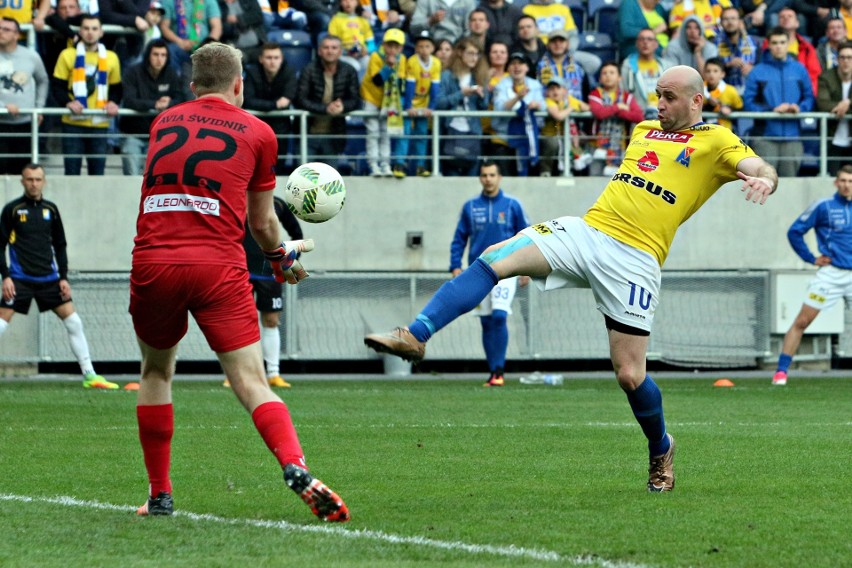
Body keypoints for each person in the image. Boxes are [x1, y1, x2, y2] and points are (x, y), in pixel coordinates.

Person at [365, 65, 779, 492]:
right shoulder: (643, 130)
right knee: (495, 256)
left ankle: (661, 448)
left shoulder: (716, 140)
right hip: (588, 231)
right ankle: (416, 334)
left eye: (670, 97)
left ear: (696, 100)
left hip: (636, 259)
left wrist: (765, 180)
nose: (659, 104)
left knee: (629, 375)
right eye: (657, 94)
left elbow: (761, 166)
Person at [130, 42, 349, 521]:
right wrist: (280, 259)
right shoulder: (259, 131)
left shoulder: (163, 122)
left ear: (191, 86)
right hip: (217, 268)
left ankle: (161, 494)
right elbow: (263, 223)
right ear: (240, 85)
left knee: (155, 374)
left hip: (155, 262)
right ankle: (294, 464)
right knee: (251, 382)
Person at [0, 164, 117, 390]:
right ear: (22, 182)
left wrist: (63, 278)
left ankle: (90, 375)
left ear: (44, 182)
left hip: (49, 280)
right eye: (30, 179)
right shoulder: (12, 210)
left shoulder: (51, 210)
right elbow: (0, 245)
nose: (34, 183)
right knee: (1, 323)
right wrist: (5, 276)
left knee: (73, 322)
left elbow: (60, 245)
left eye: (38, 179)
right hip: (19, 279)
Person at [449, 161, 529, 387]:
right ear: (480, 178)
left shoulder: (513, 205)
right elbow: (459, 238)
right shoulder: (470, 207)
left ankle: (500, 370)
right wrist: (455, 264)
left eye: (492, 175)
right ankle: (493, 370)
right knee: (485, 321)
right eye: (484, 175)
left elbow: (527, 236)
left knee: (499, 316)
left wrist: (527, 268)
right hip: (479, 271)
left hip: (507, 268)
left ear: (499, 177)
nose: (488, 179)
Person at [773, 166, 852, 387]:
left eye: (851, 181)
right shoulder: (823, 206)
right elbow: (795, 231)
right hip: (831, 275)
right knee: (803, 320)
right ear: (836, 183)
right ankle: (781, 372)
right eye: (843, 180)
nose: (847, 185)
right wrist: (811, 258)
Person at [224, 196, 304, 389]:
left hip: (269, 273)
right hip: (239, 270)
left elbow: (296, 234)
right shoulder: (230, 201)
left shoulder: (277, 204)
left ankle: (273, 373)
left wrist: (290, 259)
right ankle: (235, 374)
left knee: (271, 321)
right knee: (239, 322)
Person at [51, 14, 123, 176]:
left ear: (101, 32)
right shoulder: (67, 54)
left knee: (97, 174)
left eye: (94, 28)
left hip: (99, 124)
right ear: (80, 31)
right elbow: (57, 87)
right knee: (71, 173)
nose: (90, 32)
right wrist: (67, 103)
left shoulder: (112, 57)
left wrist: (113, 102)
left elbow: (117, 88)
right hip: (72, 121)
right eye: (86, 28)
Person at [743, 27, 814, 178]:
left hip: (793, 137)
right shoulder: (757, 71)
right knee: (763, 184)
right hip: (765, 138)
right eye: (775, 43)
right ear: (768, 45)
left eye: (782, 42)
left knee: (790, 186)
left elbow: (809, 97)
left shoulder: (800, 70)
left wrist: (799, 108)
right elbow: (748, 103)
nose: (779, 46)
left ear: (788, 44)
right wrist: (772, 110)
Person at [295, 35, 361, 173]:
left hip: (333, 134)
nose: (330, 51)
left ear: (340, 51)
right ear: (319, 51)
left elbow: (356, 100)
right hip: (308, 134)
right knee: (302, 181)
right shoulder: (309, 69)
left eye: (334, 48)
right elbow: (300, 99)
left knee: (329, 183)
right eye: (326, 47)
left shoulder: (349, 71)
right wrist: (326, 109)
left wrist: (343, 106)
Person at [120, 38, 186, 176]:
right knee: (131, 175)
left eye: (163, 55)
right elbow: (129, 100)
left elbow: (181, 98)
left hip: (161, 136)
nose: (159, 59)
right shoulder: (133, 72)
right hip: (134, 134)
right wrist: (154, 104)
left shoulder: (171, 73)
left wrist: (169, 103)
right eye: (155, 54)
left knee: (158, 178)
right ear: (148, 55)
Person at [0, 17, 48, 175]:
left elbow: (43, 80)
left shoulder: (31, 56)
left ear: (17, 35)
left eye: (6, 30)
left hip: (25, 123)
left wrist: (39, 108)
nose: (1, 32)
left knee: (22, 172)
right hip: (1, 122)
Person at [435, 37, 487, 177]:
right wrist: (461, 94)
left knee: (472, 182)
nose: (474, 58)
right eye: (470, 53)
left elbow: (484, 107)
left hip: (473, 132)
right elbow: (439, 103)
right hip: (450, 131)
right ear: (459, 53)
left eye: (477, 54)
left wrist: (482, 95)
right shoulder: (446, 76)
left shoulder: (478, 77)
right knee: (451, 179)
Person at [243, 42, 298, 175]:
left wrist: (264, 105)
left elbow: (288, 97)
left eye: (276, 58)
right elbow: (248, 101)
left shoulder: (289, 71)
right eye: (269, 58)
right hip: (255, 129)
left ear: (281, 59)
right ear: (261, 59)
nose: (272, 62)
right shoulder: (252, 72)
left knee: (277, 170)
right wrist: (274, 105)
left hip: (280, 130)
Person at [360, 27, 406, 178]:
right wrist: (389, 66)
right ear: (384, 45)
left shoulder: (403, 59)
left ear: (401, 48)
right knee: (373, 132)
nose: (392, 50)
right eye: (389, 45)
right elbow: (377, 80)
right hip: (372, 98)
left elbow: (400, 83)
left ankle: (385, 164)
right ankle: (373, 164)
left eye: (396, 46)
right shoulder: (375, 56)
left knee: (386, 134)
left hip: (389, 101)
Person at [395, 30, 441, 178]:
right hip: (410, 100)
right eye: (420, 46)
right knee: (405, 133)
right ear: (416, 48)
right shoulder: (413, 62)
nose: (424, 50)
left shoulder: (436, 63)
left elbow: (435, 87)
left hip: (424, 101)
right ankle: (399, 164)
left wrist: (431, 107)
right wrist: (408, 106)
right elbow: (410, 85)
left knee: (422, 134)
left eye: (427, 46)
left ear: (432, 48)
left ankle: (420, 165)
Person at [587, 61, 644, 176]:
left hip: (620, 147)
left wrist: (615, 111)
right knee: (594, 176)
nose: (608, 76)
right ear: (600, 79)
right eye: (604, 73)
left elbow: (638, 116)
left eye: (612, 73)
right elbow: (599, 113)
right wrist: (618, 107)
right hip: (596, 146)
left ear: (619, 78)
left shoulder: (627, 97)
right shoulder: (595, 94)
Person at [493, 51, 544, 176]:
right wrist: (517, 97)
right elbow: (499, 108)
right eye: (513, 64)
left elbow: (544, 106)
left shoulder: (535, 85)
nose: (517, 67)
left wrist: (537, 105)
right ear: (508, 68)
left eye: (520, 63)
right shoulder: (501, 85)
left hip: (529, 137)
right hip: (505, 137)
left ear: (526, 67)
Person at [621, 28, 673, 121]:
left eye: (649, 39)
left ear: (656, 44)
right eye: (642, 39)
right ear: (636, 44)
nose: (645, 42)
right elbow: (625, 92)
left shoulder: (666, 66)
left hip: (663, 117)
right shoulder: (628, 66)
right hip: (638, 118)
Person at [817, 42, 852, 176]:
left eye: (849, 58)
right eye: (842, 57)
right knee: (832, 181)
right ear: (837, 59)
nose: (846, 61)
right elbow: (823, 104)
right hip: (832, 138)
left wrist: (848, 103)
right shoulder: (826, 77)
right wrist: (843, 106)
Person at [714, 6, 760, 94]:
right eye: (726, 19)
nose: (730, 22)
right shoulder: (714, 42)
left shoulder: (754, 42)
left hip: (750, 91)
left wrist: (753, 69)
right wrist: (727, 65)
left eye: (733, 18)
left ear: (739, 21)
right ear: (721, 23)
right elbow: (709, 70)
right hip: (723, 93)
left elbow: (764, 66)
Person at [328, 0, 376, 79]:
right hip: (344, 56)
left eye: (351, 0)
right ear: (340, 3)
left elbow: (371, 43)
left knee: (370, 63)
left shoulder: (363, 20)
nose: (348, 2)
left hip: (362, 55)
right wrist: (347, 51)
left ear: (357, 2)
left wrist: (367, 50)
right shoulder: (335, 20)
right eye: (345, 0)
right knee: (354, 66)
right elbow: (332, 44)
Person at [702, 56, 742, 132]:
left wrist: (729, 109)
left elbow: (740, 107)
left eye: (715, 71)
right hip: (703, 132)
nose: (711, 74)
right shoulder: (698, 90)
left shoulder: (731, 90)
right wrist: (709, 105)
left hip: (725, 131)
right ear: (704, 73)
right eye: (708, 71)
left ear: (722, 74)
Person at [409, 0, 477, 44]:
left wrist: (461, 46)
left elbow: (469, 30)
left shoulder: (468, 2)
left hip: (458, 45)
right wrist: (430, 21)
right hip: (431, 44)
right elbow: (413, 27)